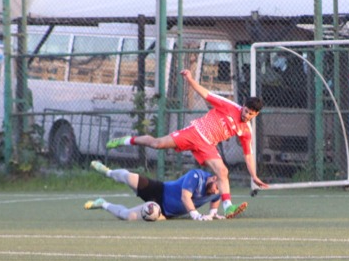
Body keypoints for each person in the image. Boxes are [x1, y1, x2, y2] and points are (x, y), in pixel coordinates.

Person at [105, 69, 269, 219]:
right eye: (246, 111)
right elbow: (206, 94)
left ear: (256, 114)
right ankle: (126, 140)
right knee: (157, 144)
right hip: (194, 132)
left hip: (207, 145)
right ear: (243, 107)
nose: (247, 115)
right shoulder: (229, 106)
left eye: (251, 114)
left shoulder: (246, 130)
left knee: (223, 171)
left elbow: (248, 154)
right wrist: (190, 79)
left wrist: (254, 176)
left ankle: (227, 207)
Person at [84, 161, 223, 221]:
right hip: (160, 190)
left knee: (127, 216)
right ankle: (108, 172)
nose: (216, 191)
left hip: (163, 212)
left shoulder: (216, 192)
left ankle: (102, 204)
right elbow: (185, 197)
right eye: (217, 186)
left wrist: (213, 214)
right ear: (214, 178)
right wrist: (197, 216)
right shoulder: (197, 176)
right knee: (129, 177)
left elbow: (215, 199)